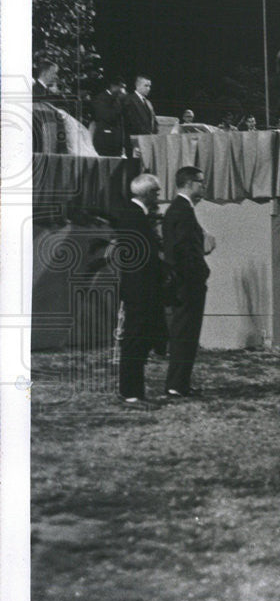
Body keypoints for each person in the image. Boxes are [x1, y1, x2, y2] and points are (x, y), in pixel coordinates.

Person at [115, 173, 168, 405]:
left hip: (138, 287)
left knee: (137, 339)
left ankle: (134, 391)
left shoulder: (133, 215)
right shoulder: (134, 217)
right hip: (140, 288)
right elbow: (143, 258)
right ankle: (131, 393)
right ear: (147, 194)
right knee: (135, 339)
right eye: (156, 192)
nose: (158, 197)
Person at [162, 166, 214, 398]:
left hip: (184, 282)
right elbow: (182, 251)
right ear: (189, 183)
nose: (204, 186)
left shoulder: (181, 210)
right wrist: (200, 271)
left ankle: (179, 383)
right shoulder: (182, 211)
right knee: (185, 333)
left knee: (185, 333)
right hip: (188, 284)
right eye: (201, 182)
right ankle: (176, 385)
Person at [91, 76, 130, 157]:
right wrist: (121, 103)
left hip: (117, 143)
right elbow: (108, 117)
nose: (123, 91)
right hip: (105, 142)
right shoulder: (100, 99)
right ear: (113, 86)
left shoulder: (119, 100)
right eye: (121, 87)